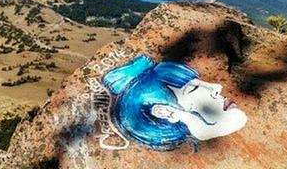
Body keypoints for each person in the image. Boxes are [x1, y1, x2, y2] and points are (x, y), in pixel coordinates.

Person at [102, 55, 247, 151]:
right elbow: (203, 131)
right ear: (167, 113)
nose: (217, 87)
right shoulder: (188, 122)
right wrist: (184, 117)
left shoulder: (193, 121)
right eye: (194, 88)